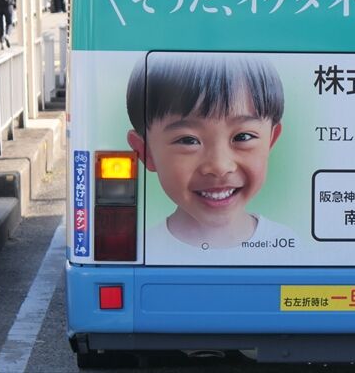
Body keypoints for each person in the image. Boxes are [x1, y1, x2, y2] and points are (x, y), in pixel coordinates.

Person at [125, 53, 293, 254]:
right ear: (146, 152)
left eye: (243, 137)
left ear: (270, 141)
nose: (219, 166)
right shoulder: (141, 252)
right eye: (188, 140)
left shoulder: (289, 248)